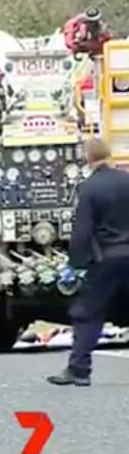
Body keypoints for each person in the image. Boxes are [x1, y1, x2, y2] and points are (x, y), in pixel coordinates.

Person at [47, 139, 129, 386]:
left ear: (87, 158)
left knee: (88, 313)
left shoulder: (89, 188)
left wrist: (75, 264)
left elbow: (82, 231)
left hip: (106, 259)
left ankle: (79, 369)